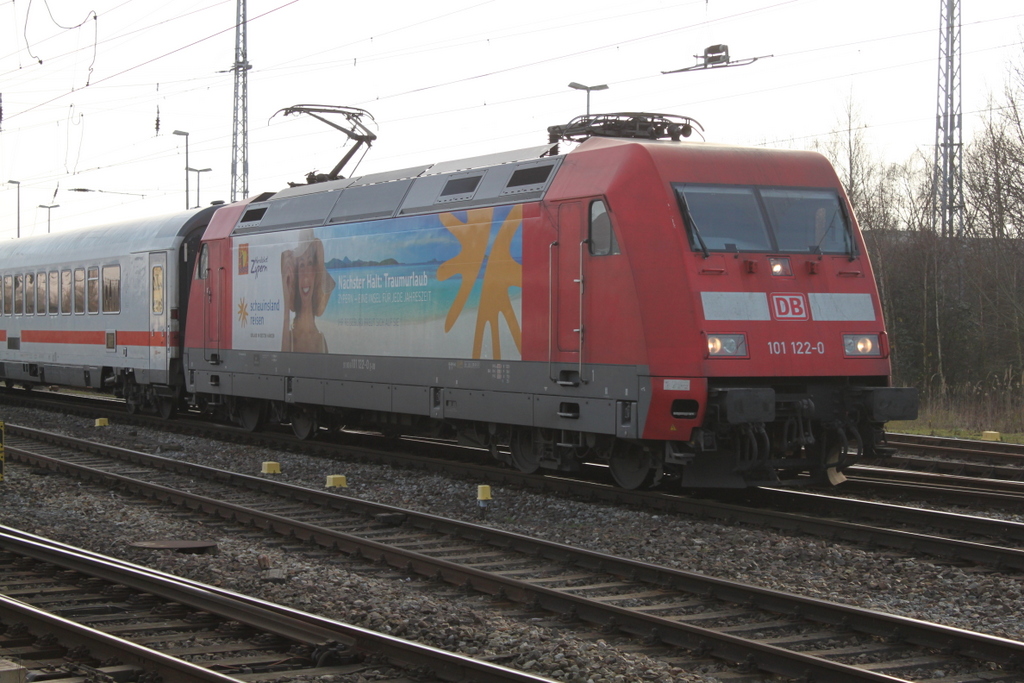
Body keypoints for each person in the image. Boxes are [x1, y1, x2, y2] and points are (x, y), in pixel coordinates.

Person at [281, 229, 335, 352]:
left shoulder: (321, 340)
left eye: (310, 263)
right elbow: (283, 359)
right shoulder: (290, 337)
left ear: (316, 273)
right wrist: (286, 295)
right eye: (301, 265)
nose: (305, 274)